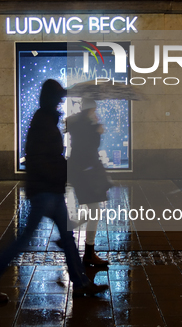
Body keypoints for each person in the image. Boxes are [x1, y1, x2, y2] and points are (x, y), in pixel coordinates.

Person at [0, 79, 108, 303]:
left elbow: (51, 157)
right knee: (25, 239)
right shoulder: (43, 122)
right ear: (51, 100)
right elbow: (39, 159)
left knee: (66, 238)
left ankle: (81, 283)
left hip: (51, 190)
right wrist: (60, 173)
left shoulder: (46, 119)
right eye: (58, 99)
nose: (60, 103)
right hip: (45, 191)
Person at [66, 98, 111, 267]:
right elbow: (87, 148)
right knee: (95, 212)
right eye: (94, 110)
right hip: (85, 175)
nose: (96, 113)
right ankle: (89, 253)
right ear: (88, 110)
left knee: (94, 211)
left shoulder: (80, 123)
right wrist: (97, 132)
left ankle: (72, 226)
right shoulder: (84, 125)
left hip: (83, 174)